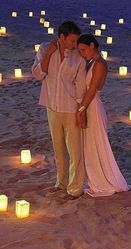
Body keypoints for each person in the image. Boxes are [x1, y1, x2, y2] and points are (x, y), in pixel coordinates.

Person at [32, 21, 87, 200]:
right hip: (52, 106)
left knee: (75, 149)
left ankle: (75, 187)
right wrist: (48, 54)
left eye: (76, 41)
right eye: (71, 40)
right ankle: (61, 182)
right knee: (58, 148)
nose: (74, 44)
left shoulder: (78, 56)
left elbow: (80, 85)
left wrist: (81, 110)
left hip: (70, 108)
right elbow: (39, 74)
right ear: (61, 37)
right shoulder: (44, 48)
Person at [77, 34, 130, 197]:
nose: (82, 53)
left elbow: (92, 90)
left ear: (92, 45)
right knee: (91, 145)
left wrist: (81, 109)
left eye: (84, 49)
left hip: (93, 106)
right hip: (88, 104)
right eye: (80, 51)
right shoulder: (91, 62)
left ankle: (104, 181)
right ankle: (96, 179)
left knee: (97, 143)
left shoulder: (99, 64)